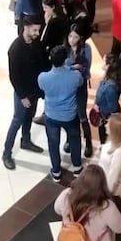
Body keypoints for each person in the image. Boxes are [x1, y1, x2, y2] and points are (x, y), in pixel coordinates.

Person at [2, 15, 47, 170]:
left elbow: (42, 63)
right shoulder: (15, 49)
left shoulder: (36, 44)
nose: (37, 33)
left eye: (38, 30)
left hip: (35, 90)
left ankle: (26, 140)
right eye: (34, 30)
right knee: (18, 120)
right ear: (26, 28)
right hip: (23, 92)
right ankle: (6, 152)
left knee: (29, 116)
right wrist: (22, 97)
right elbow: (13, 76)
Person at [40, 46, 84, 181]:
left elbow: (43, 88)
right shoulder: (75, 76)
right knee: (75, 140)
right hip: (70, 116)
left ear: (50, 59)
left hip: (51, 115)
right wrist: (70, 68)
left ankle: (56, 172)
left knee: (53, 143)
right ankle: (77, 168)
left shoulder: (43, 78)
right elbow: (80, 83)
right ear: (66, 60)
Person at [64, 24, 93, 158]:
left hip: (80, 85)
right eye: (70, 36)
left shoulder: (86, 48)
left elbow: (86, 69)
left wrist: (73, 67)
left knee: (81, 114)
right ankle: (69, 139)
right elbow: (62, 67)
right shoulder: (64, 48)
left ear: (80, 37)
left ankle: (88, 143)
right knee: (70, 113)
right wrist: (73, 67)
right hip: (68, 85)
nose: (72, 39)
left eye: (75, 37)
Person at [98, 112, 121, 206]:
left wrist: (103, 197)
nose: (105, 125)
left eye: (108, 124)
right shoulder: (112, 142)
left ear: (115, 130)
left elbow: (112, 179)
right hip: (105, 186)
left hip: (116, 195)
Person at [94, 55, 121, 145]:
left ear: (108, 66)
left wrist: (98, 107)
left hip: (107, 118)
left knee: (108, 141)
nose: (101, 62)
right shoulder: (107, 77)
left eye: (103, 61)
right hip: (103, 115)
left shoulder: (110, 87)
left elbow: (112, 108)